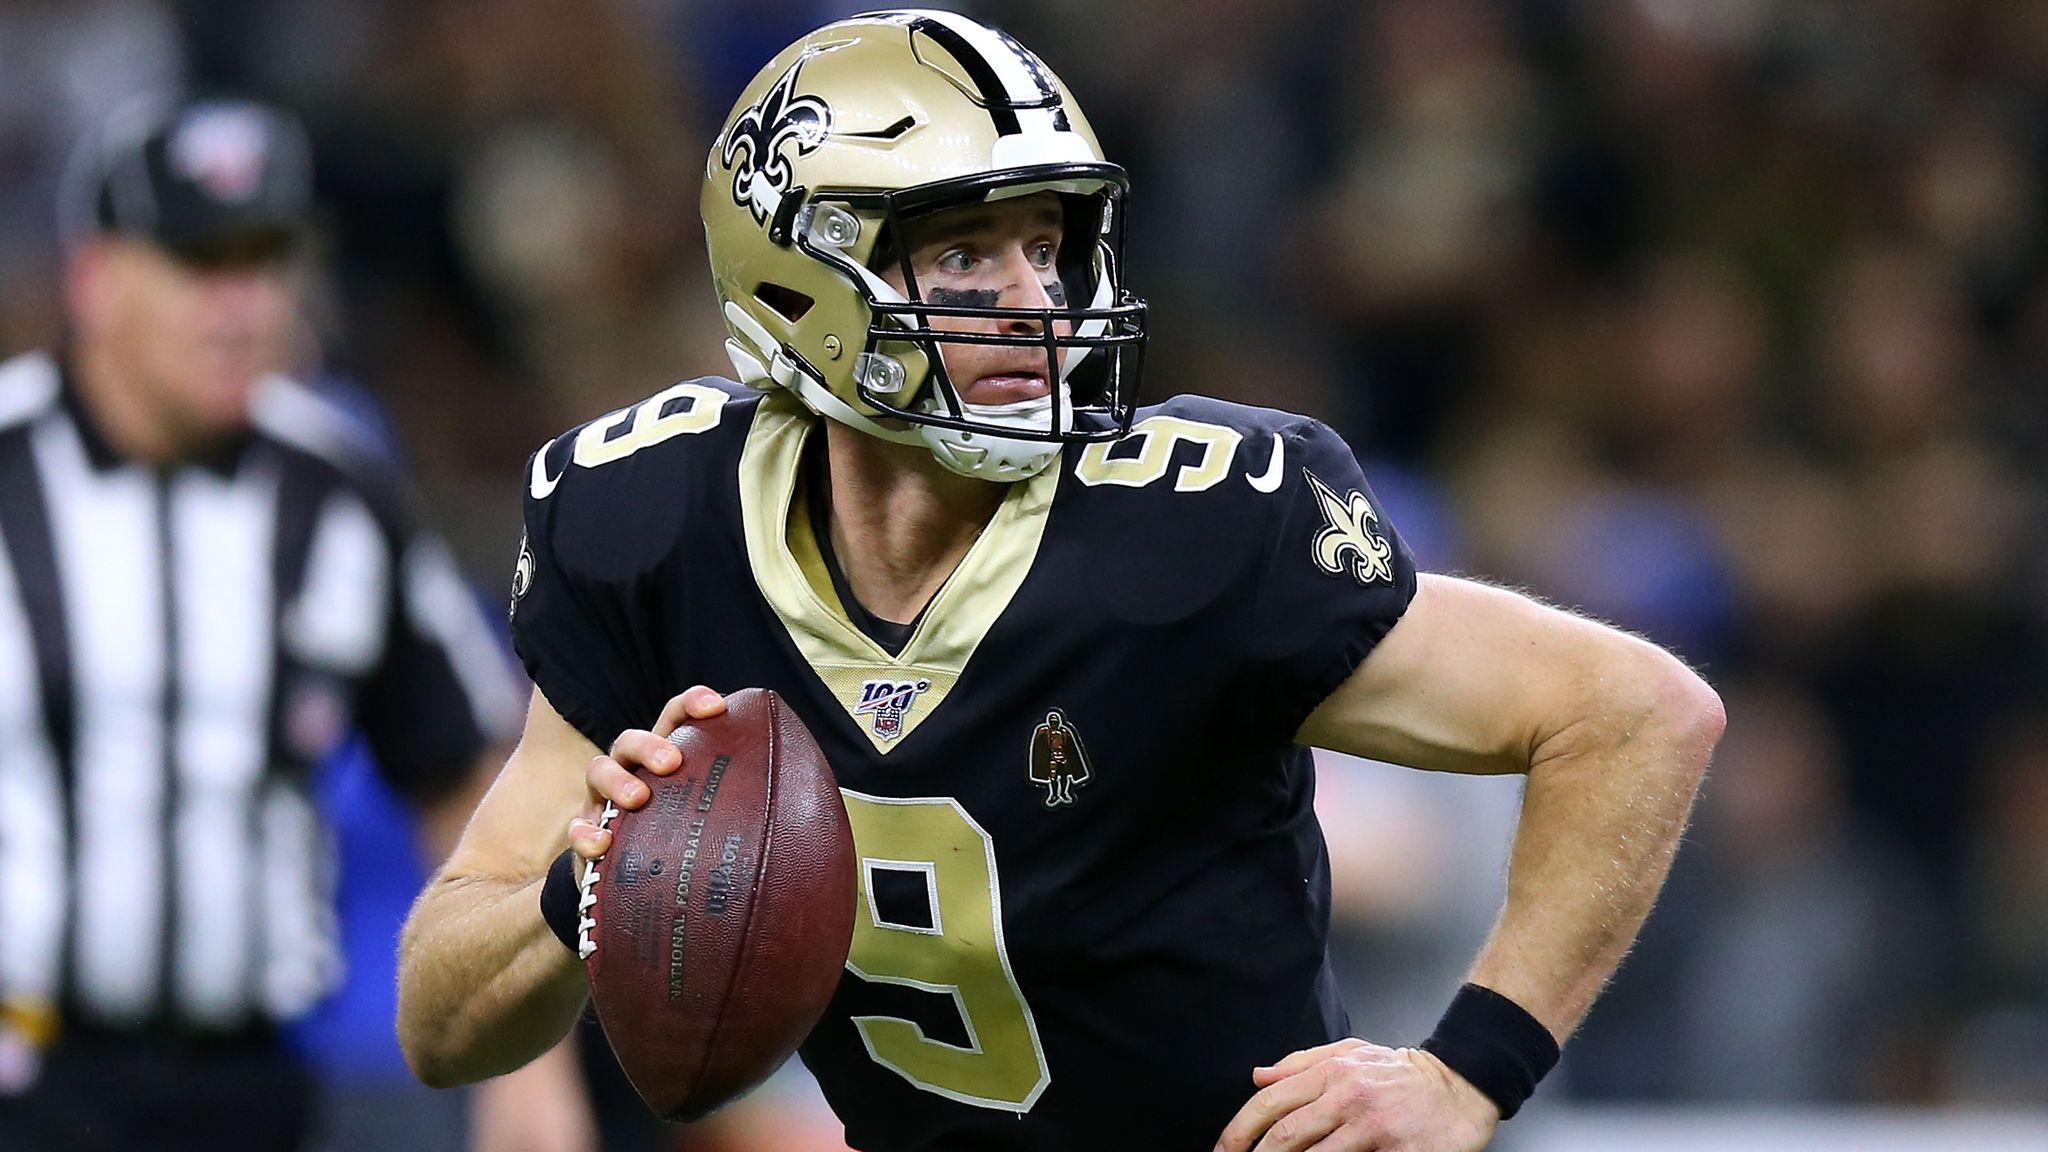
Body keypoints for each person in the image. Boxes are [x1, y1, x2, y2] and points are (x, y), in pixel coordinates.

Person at [395, 12, 1724, 1152]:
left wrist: (1465, 1072)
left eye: (1050, 246)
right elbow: (439, 1021)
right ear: (799, 276)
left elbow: (1636, 712)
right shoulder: (655, 523)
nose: (1033, 300)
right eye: (966, 252)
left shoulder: (1191, 529)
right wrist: (588, 890)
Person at [0, 96, 588, 1152]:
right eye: (201, 263)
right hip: (25, 1072)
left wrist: (527, 1066)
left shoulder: (336, 488)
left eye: (267, 261)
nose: (244, 305)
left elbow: (466, 773)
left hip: (256, 1084)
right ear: (96, 280)